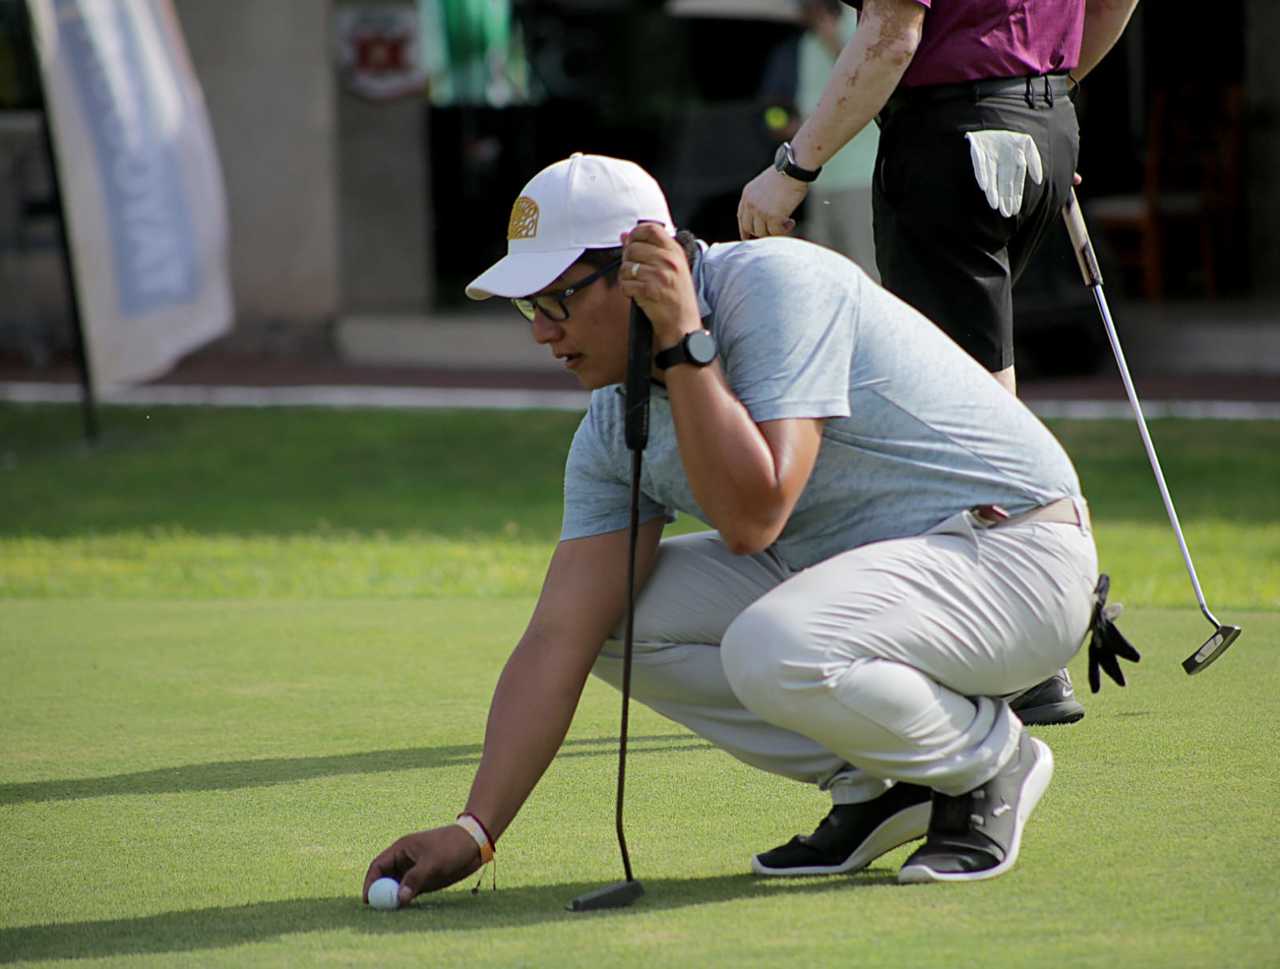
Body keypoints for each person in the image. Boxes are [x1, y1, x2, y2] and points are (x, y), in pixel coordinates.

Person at [361, 153, 1130, 903]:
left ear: (644, 264)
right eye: (530, 306)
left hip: (1016, 557)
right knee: (615, 624)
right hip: (891, 590)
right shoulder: (609, 425)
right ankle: (883, 780)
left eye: (556, 299)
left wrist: (683, 339)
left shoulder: (776, 284)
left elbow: (753, 515)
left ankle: (985, 761)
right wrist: (476, 827)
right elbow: (558, 636)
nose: (540, 331)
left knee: (774, 643)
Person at [737, 0, 1140, 725]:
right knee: (984, 388)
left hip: (950, 138)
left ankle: (1029, 647)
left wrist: (792, 166)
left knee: (961, 412)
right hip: (1044, 123)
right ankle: (1025, 638)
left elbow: (892, 37)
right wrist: (1041, 105)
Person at [796, 0, 880, 277]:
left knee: (867, 272)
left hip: (861, 178)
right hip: (819, 180)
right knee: (827, 275)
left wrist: (834, 43)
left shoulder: (864, 19)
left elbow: (872, 82)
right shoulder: (807, 43)